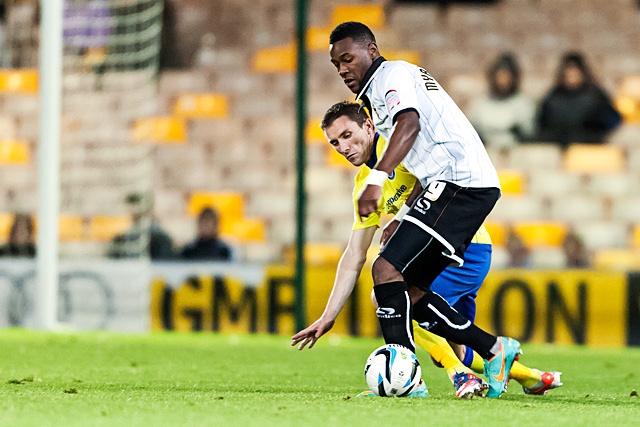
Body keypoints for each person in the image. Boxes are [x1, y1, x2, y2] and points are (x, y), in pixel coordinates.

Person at [295, 21, 521, 399]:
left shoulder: (391, 76)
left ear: (371, 49)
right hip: (451, 183)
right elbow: (418, 153)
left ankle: (407, 379)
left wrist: (376, 179)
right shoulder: (374, 95)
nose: (343, 69)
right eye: (337, 65)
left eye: (348, 58)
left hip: (460, 181)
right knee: (409, 290)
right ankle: (495, 350)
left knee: (384, 269)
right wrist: (403, 214)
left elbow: (410, 123)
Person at [294, 102, 562, 398]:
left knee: (393, 293)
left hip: (466, 247)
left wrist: (399, 217)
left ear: (369, 126)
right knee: (451, 345)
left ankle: (436, 378)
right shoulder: (364, 186)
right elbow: (354, 255)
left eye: (347, 134)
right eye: (334, 142)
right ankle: (531, 377)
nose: (342, 147)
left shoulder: (399, 146)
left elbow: (436, 177)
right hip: (445, 252)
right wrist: (328, 315)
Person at [536, 51, 622, 148]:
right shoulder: (554, 96)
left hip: (590, 145)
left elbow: (612, 119)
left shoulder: (595, 95)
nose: (571, 76)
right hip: (559, 145)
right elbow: (542, 124)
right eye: (568, 74)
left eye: (575, 73)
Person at [468, 53, 536, 149]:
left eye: (506, 76)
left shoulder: (524, 104)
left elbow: (528, 134)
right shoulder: (480, 105)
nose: (502, 80)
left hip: (517, 155)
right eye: (499, 76)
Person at [107, 192, 175, 260]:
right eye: (131, 208)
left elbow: (165, 263)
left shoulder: (159, 238)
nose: (134, 211)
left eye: (138, 208)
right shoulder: (120, 239)